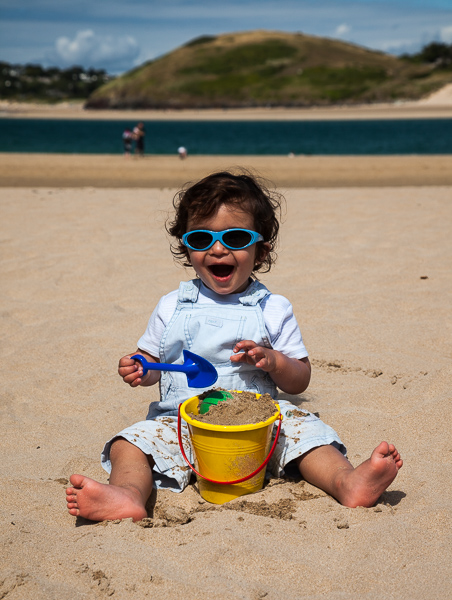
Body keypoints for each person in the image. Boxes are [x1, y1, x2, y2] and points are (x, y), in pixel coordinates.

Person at [66, 171, 403, 522]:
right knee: (130, 444)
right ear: (186, 246)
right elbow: (153, 360)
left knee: (305, 431)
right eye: (201, 238)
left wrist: (274, 361)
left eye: (236, 236)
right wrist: (140, 366)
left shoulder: (272, 308)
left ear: (261, 250)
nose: (218, 248)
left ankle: (347, 481)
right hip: (181, 423)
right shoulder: (172, 305)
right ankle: (128, 496)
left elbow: (299, 379)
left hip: (258, 427)